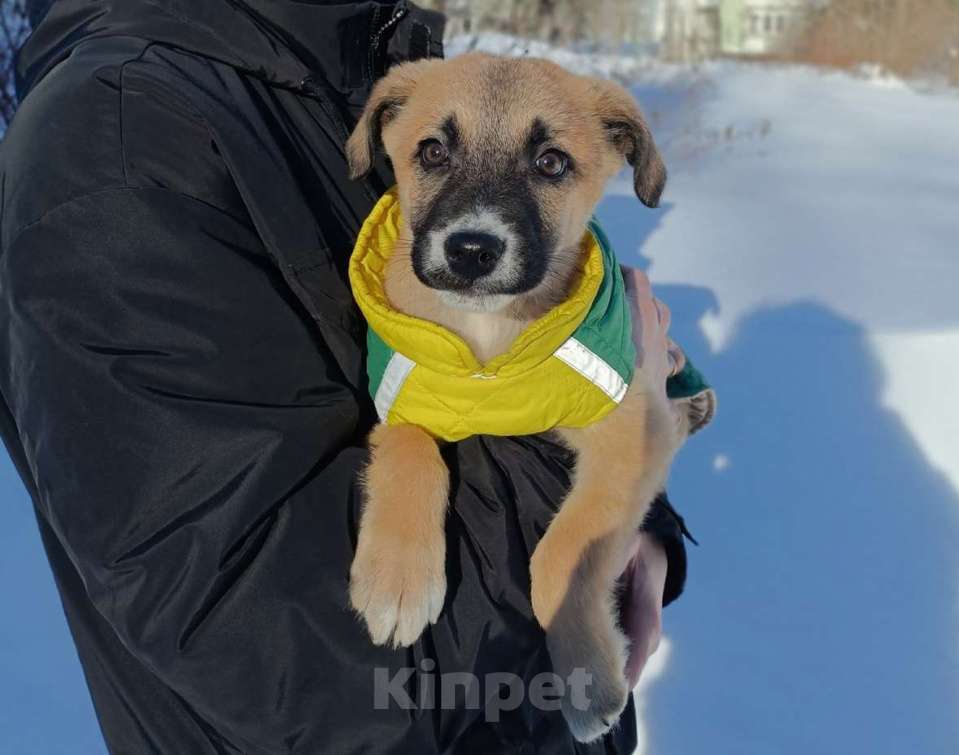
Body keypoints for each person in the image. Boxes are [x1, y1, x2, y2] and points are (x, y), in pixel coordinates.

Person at [0, 2, 696, 752]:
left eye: (549, 164)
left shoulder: (339, 75)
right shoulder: (119, 146)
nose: (477, 226)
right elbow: (289, 651)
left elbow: (542, 385)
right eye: (436, 155)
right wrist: (575, 530)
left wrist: (629, 515)